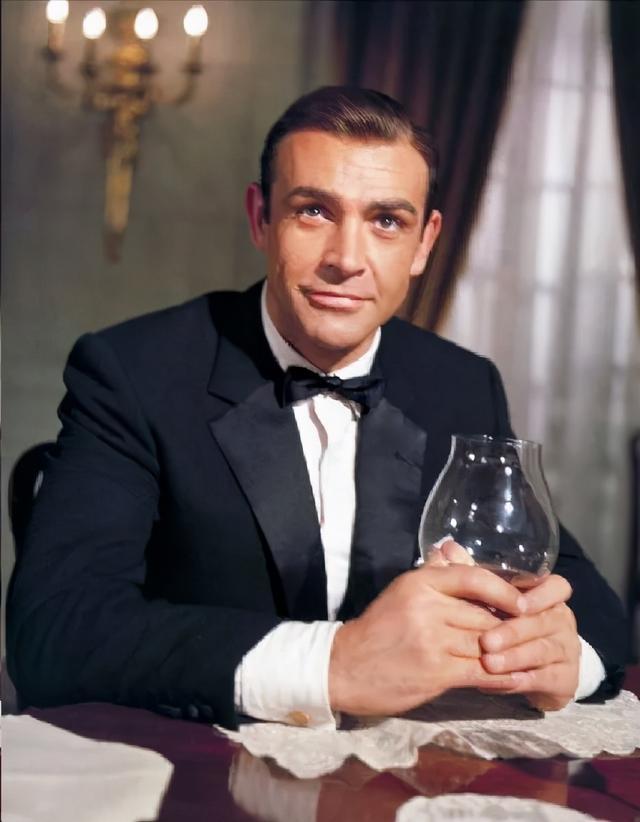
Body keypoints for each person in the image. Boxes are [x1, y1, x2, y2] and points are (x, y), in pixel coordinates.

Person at [7, 87, 627, 729]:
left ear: (424, 243)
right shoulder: (132, 372)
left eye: (386, 221)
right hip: (195, 762)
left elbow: (591, 607)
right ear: (261, 218)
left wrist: (558, 656)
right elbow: (55, 631)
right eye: (313, 211)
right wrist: (337, 664)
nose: (346, 260)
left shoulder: (463, 384)